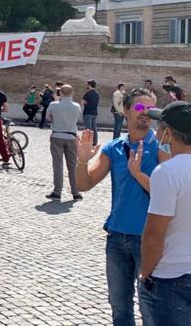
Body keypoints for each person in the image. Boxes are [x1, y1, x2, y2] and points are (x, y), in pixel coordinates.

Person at [76, 87, 169, 326]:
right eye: (139, 107)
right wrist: (82, 160)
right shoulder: (114, 148)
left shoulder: (163, 148)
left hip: (149, 238)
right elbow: (84, 184)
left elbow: (169, 195)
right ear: (125, 111)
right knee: (119, 306)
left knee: (151, 308)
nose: (145, 112)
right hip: (117, 237)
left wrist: (138, 174)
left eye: (150, 108)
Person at [139, 101, 191, 326]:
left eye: (159, 128)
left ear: (168, 133)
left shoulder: (167, 172)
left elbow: (153, 236)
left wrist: (145, 273)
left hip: (172, 276)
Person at [45, 84, 82, 201]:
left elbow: (48, 117)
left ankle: (57, 192)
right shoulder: (77, 106)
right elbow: (76, 119)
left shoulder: (53, 105)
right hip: (71, 136)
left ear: (60, 93)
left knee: (58, 165)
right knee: (73, 166)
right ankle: (75, 192)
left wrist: (57, 102)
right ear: (72, 93)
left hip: (57, 135)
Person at [82, 79, 101, 145]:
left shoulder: (87, 93)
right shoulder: (97, 94)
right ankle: (95, 142)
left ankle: (88, 143)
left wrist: (86, 102)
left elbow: (82, 102)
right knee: (94, 129)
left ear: (89, 85)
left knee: (88, 129)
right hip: (94, 113)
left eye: (87, 84)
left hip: (87, 113)